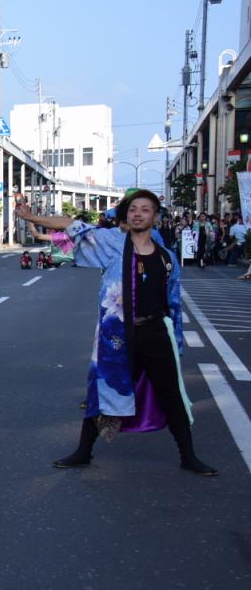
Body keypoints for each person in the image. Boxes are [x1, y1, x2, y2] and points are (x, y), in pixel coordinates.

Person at [16, 191, 217, 476]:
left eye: (145, 209)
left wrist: (178, 345)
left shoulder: (167, 257)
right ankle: (83, 452)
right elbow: (71, 225)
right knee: (103, 391)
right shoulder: (112, 243)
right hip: (118, 336)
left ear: (155, 216)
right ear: (126, 215)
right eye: (133, 209)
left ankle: (188, 456)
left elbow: (173, 304)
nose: (138, 214)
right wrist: (30, 217)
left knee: (172, 395)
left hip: (156, 333)